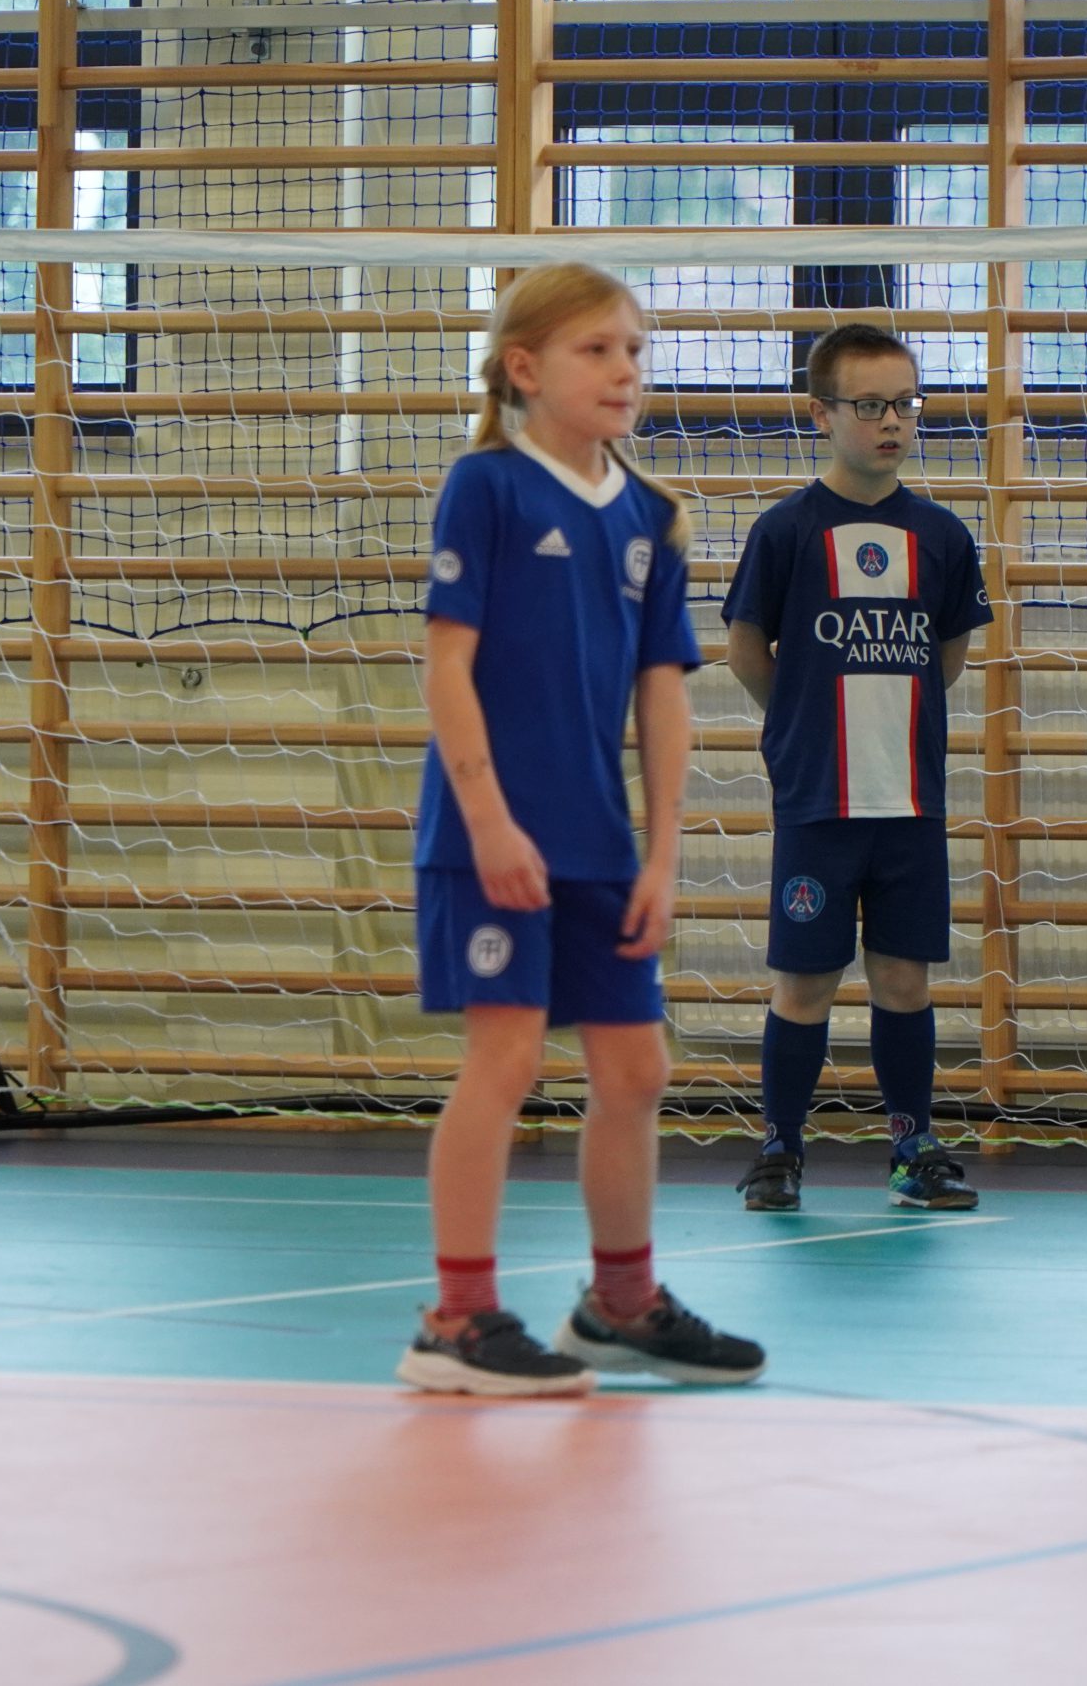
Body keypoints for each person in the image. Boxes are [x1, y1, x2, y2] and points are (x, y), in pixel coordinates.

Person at [396, 262, 766, 1397]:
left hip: (601, 845)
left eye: (634, 350)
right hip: (490, 840)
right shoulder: (489, 486)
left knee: (637, 1066)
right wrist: (490, 822)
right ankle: (457, 1321)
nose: (624, 371)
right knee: (505, 1059)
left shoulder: (652, 515)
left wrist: (663, 854)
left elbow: (663, 695)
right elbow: (446, 669)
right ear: (524, 368)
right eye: (596, 350)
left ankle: (621, 1303)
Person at [721, 324, 992, 1216]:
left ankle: (913, 1147)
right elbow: (747, 650)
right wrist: (802, 717)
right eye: (870, 405)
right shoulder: (786, 531)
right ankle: (780, 1149)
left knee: (904, 983)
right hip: (818, 799)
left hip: (910, 801)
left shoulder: (942, 535)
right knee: (804, 983)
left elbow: (946, 657)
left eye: (906, 403)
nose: (892, 421)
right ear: (822, 413)